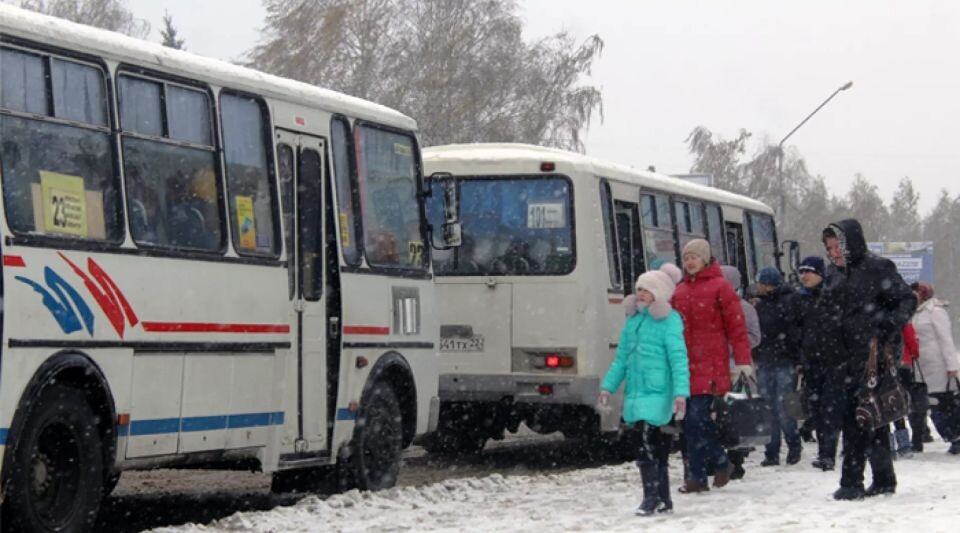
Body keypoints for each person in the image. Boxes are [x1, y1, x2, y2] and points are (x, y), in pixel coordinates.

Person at [822, 219, 916, 500]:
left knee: (856, 418)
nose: (834, 253)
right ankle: (884, 478)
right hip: (843, 356)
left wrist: (886, 325)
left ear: (851, 243)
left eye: (838, 246)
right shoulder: (835, 275)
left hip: (872, 356)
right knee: (872, 417)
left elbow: (906, 300)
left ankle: (852, 482)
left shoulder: (877, 268)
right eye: (829, 248)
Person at [599, 269, 690, 516]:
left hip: (658, 392)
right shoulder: (633, 321)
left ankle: (652, 497)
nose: (640, 294)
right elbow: (621, 359)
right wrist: (607, 386)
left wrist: (681, 392)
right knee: (652, 446)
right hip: (636, 393)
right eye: (639, 289)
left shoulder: (669, 321)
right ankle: (662, 498)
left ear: (658, 294)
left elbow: (678, 359)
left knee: (647, 445)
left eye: (646, 290)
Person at [671, 239, 753, 493]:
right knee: (691, 424)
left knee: (697, 418)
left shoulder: (721, 287)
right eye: (686, 258)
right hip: (686, 366)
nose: (690, 262)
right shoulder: (680, 290)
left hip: (712, 365)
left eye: (695, 257)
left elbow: (736, 327)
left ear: (705, 259)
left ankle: (716, 463)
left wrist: (742, 361)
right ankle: (700, 475)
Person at [790, 255, 845, 471]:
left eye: (809, 271)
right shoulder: (799, 300)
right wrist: (799, 358)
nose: (804, 276)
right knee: (818, 410)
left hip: (835, 363)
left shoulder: (833, 297)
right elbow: (795, 332)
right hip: (811, 364)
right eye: (801, 271)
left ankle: (829, 453)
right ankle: (825, 452)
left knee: (831, 409)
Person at [753, 266, 802, 466]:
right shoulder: (782, 302)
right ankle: (782, 448)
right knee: (778, 407)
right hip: (774, 360)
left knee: (779, 407)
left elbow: (793, 334)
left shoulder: (769, 306)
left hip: (778, 361)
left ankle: (780, 449)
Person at [721, 265, 761, 480]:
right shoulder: (710, 305)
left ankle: (736, 460)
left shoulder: (744, 308)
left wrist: (729, 346)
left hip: (738, 367)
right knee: (721, 414)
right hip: (716, 368)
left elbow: (755, 337)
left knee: (736, 413)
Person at [911, 281, 960, 455]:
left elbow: (946, 339)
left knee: (943, 404)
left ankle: (955, 437)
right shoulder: (916, 312)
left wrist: (952, 366)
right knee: (931, 404)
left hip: (938, 366)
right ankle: (952, 437)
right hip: (921, 367)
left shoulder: (935, 311)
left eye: (916, 293)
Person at [890, 322, 921, 458]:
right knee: (900, 404)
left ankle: (886, 444)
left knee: (882, 404)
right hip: (903, 364)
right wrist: (913, 353)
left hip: (881, 366)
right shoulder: (902, 319)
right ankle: (904, 445)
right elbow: (911, 342)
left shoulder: (873, 317)